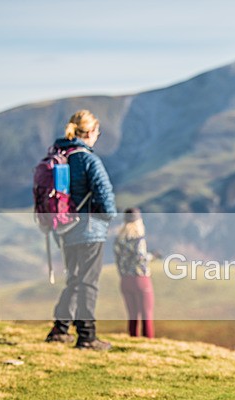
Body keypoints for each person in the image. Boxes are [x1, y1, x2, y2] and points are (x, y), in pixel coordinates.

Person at [44, 110, 117, 350]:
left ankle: (60, 328)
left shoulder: (60, 154)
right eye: (97, 131)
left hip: (64, 229)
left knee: (74, 279)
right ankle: (87, 336)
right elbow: (105, 195)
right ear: (91, 132)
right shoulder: (88, 159)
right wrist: (107, 217)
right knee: (88, 282)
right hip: (89, 228)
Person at [114, 208, 155, 338]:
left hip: (125, 280)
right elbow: (140, 258)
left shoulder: (119, 239)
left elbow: (118, 260)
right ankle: (149, 340)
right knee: (146, 313)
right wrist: (152, 256)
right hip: (140, 279)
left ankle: (133, 338)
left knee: (132, 314)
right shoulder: (138, 239)